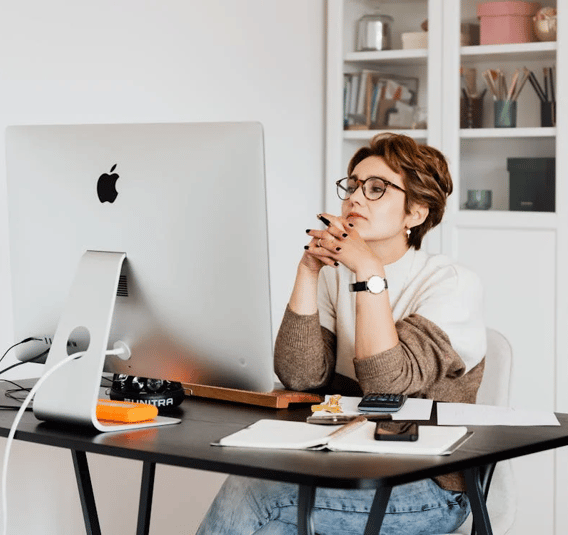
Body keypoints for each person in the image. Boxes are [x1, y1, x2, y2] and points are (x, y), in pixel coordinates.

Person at [196, 133, 487, 535]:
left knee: (256, 492)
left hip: (428, 487)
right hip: (345, 463)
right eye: (352, 185)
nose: (355, 198)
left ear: (415, 214)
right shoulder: (336, 276)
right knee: (271, 522)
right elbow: (301, 376)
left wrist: (369, 274)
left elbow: (386, 385)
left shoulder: (452, 284)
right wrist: (308, 271)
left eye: (376, 188)